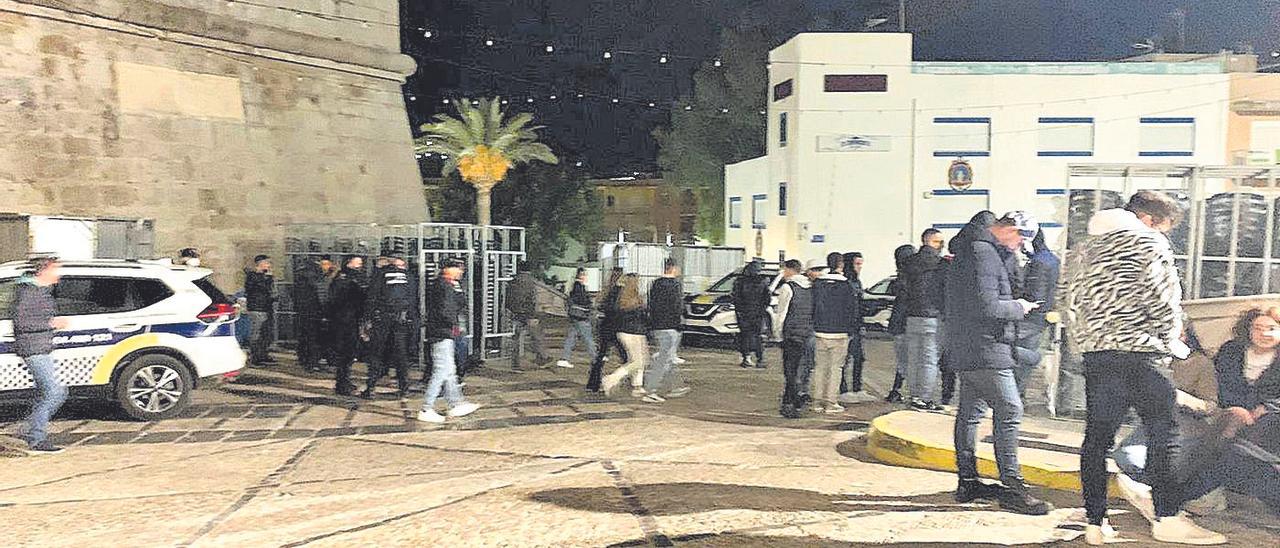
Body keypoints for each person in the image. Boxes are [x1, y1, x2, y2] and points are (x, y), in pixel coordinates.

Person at [1064, 191, 1226, 545]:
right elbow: (1163, 300)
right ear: (1150, 220)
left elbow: (1068, 301)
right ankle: (1167, 518)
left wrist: (1088, 342)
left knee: (1097, 440)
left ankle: (1095, 522)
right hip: (1140, 354)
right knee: (1163, 435)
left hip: (1097, 356)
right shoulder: (1149, 244)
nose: (1165, 234)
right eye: (1166, 227)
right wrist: (1171, 344)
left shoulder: (1082, 249)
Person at [946, 211, 1051, 516]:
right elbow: (986, 304)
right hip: (986, 345)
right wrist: (1019, 307)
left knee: (971, 412)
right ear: (1009, 230)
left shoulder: (972, 247)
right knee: (1010, 409)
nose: (1019, 246)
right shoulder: (984, 253)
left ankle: (968, 481)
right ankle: (1013, 487)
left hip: (970, 344)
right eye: (1020, 239)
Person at [12, 255, 68, 454]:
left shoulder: (41, 291)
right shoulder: (29, 292)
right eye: (56, 269)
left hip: (41, 347)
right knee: (55, 392)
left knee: (49, 391)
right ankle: (35, 436)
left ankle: (31, 430)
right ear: (44, 271)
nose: (58, 273)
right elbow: (20, 322)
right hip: (33, 348)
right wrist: (50, 324)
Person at [417, 258, 480, 423]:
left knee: (450, 371)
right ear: (447, 269)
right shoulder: (442, 286)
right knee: (440, 371)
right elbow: (445, 311)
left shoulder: (448, 285)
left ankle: (455, 404)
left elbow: (460, 304)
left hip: (445, 331)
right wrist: (453, 325)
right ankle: (426, 408)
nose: (460, 272)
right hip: (441, 332)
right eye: (457, 268)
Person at [1215, 308, 1280, 456]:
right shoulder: (1230, 351)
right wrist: (1236, 407)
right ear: (1248, 330)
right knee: (1229, 425)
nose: (1264, 334)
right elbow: (1219, 382)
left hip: (1272, 414)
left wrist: (1267, 407)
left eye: (1272, 329)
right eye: (1258, 328)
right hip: (1230, 408)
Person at [1012, 229, 1061, 398]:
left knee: (1013, 353)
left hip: (1030, 317)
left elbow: (1035, 294)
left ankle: (1014, 395)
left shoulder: (1038, 263)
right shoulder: (1052, 259)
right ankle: (1018, 395)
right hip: (1043, 316)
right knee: (1024, 358)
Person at [361, 255, 418, 400]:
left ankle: (371, 387)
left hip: (382, 320)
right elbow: (413, 299)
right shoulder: (408, 276)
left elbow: (371, 298)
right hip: (402, 320)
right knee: (401, 355)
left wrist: (367, 319)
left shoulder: (380, 275)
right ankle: (404, 387)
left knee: (376, 354)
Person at [902, 228, 947, 412]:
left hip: (912, 316)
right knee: (929, 360)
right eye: (939, 242)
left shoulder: (909, 263)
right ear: (931, 242)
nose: (942, 245)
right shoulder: (941, 264)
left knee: (913, 359)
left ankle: (913, 396)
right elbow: (945, 291)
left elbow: (903, 289)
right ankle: (925, 398)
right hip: (933, 317)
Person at [810, 253, 858, 413]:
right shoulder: (846, 286)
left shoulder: (817, 284)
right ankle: (831, 402)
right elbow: (852, 310)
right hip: (839, 333)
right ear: (841, 265)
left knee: (820, 367)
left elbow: (812, 306)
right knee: (835, 368)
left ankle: (817, 402)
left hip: (819, 331)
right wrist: (851, 330)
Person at [642, 259, 689, 402]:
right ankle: (651, 390)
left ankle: (675, 386)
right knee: (663, 359)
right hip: (670, 326)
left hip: (658, 325)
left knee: (667, 357)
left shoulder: (656, 284)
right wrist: (680, 322)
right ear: (673, 268)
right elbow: (677, 306)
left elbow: (651, 304)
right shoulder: (675, 285)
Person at [772, 259, 813, 419]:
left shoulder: (787, 287)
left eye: (784, 270)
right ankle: (796, 398)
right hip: (807, 332)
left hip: (792, 333)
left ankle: (790, 401)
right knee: (802, 367)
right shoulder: (810, 287)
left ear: (789, 270)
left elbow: (781, 313)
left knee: (790, 369)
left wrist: (777, 334)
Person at [601, 274, 649, 397]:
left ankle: (637, 386)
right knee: (638, 361)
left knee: (640, 360)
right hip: (634, 332)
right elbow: (641, 316)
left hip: (625, 331)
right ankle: (611, 379)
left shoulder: (621, 298)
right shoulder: (634, 299)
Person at [839, 252, 876, 404]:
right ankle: (843, 389)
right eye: (857, 264)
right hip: (845, 327)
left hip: (856, 326)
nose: (860, 267)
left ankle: (857, 387)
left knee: (859, 358)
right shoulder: (844, 282)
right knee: (844, 359)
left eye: (861, 264)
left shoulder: (857, 282)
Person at [326, 256, 367, 396]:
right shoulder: (346, 278)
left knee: (348, 355)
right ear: (350, 263)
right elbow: (339, 299)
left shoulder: (346, 276)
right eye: (358, 261)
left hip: (347, 319)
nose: (360, 264)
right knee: (346, 354)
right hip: (345, 321)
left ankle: (344, 382)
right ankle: (342, 385)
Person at [586, 267, 628, 392]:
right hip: (615, 327)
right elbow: (617, 309)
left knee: (602, 355)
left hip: (605, 327)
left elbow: (601, 306)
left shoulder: (607, 289)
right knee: (626, 356)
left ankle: (593, 383)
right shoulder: (618, 291)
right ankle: (633, 381)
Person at [884, 245, 915, 403]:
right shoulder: (911, 279)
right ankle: (912, 393)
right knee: (911, 361)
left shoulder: (900, 279)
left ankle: (897, 390)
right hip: (908, 323)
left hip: (899, 324)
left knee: (904, 360)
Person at [507, 262, 549, 370]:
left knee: (515, 339)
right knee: (537, 336)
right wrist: (533, 314)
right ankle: (542, 357)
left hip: (515, 313)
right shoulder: (531, 282)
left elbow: (508, 298)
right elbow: (533, 299)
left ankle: (515, 364)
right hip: (528, 313)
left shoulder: (513, 281)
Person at [731, 260, 772, 369]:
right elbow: (767, 298)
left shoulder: (739, 281)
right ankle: (760, 359)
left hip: (743, 314)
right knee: (758, 336)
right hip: (758, 313)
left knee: (745, 336)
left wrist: (739, 310)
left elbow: (735, 297)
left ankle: (746, 358)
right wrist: (762, 309)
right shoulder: (763, 281)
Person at [292, 255, 329, 373]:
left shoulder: (299, 275)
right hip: (315, 311)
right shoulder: (316, 276)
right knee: (314, 338)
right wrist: (325, 310)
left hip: (302, 311)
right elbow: (321, 294)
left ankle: (304, 360)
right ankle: (313, 362)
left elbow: (293, 294)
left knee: (304, 336)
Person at [557, 268, 597, 369]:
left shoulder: (574, 286)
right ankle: (595, 358)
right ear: (580, 275)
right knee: (588, 337)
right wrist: (589, 304)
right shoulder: (579, 287)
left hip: (574, 315)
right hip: (581, 316)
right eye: (584, 275)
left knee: (571, 337)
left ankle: (564, 359)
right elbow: (582, 300)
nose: (585, 277)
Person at [244, 255, 276, 366]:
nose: (269, 265)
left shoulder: (265, 277)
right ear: (260, 263)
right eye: (267, 263)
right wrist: (267, 278)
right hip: (257, 308)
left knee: (265, 334)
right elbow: (259, 288)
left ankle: (263, 354)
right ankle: (255, 357)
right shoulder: (252, 276)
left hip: (266, 307)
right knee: (256, 334)